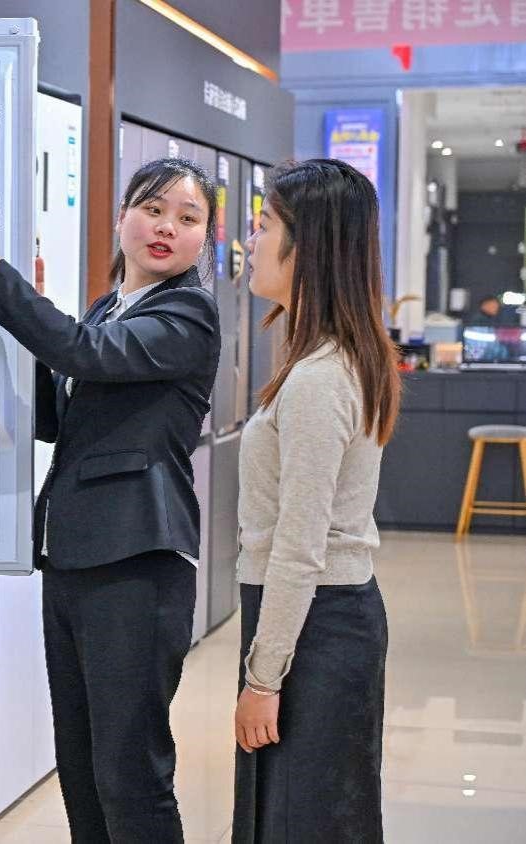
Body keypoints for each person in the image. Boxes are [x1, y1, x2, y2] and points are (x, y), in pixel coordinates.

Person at [0, 156, 221, 842]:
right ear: (122, 218)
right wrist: (26, 319)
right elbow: (60, 417)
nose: (166, 227)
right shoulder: (110, 308)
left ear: (203, 238)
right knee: (82, 767)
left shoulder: (188, 313)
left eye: (187, 218)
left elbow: (86, 354)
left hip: (137, 562)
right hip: (73, 558)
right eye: (152, 209)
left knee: (129, 772)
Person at [234, 158, 400, 842]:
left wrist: (262, 678)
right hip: (320, 620)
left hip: (313, 627)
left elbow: (299, 547)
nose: (250, 240)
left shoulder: (319, 379)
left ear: (310, 246)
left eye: (264, 225)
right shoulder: (332, 360)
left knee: (302, 821)